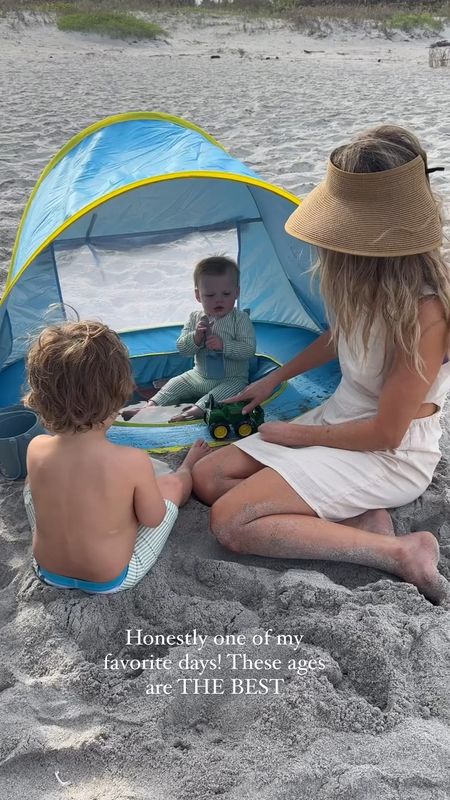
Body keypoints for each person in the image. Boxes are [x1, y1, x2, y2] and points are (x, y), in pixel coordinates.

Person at [191, 125, 450, 604]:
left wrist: (299, 435)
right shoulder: (366, 282)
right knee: (208, 477)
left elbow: (386, 434)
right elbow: (341, 337)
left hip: (386, 454)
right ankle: (360, 522)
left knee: (228, 520)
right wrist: (274, 378)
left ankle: (399, 552)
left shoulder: (425, 313)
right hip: (341, 421)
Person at [23, 320, 210, 594]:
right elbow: (153, 518)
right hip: (111, 579)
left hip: (48, 571)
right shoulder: (131, 461)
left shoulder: (36, 447)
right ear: (118, 397)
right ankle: (187, 467)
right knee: (170, 486)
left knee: (32, 485)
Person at [122, 256, 256, 423]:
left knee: (225, 393)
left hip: (232, 379)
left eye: (226, 294)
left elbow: (249, 350)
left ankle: (193, 412)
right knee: (176, 383)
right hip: (198, 376)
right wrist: (196, 338)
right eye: (210, 295)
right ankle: (148, 407)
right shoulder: (195, 318)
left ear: (237, 292)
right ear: (198, 295)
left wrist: (224, 345)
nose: (219, 299)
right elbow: (183, 349)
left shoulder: (240, 319)